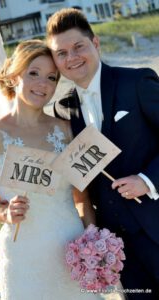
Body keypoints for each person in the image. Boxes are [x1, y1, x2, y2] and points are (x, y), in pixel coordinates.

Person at [0, 39, 113, 300]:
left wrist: (94, 243)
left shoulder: (67, 130)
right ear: (14, 74)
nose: (43, 84)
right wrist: (3, 212)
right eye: (33, 73)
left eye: (52, 77)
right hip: (24, 257)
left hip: (72, 249)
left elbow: (82, 197)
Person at [45, 8, 159, 300]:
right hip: (116, 244)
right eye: (61, 53)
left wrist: (147, 180)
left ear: (95, 44)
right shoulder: (63, 110)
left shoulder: (137, 82)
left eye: (78, 46)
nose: (72, 57)